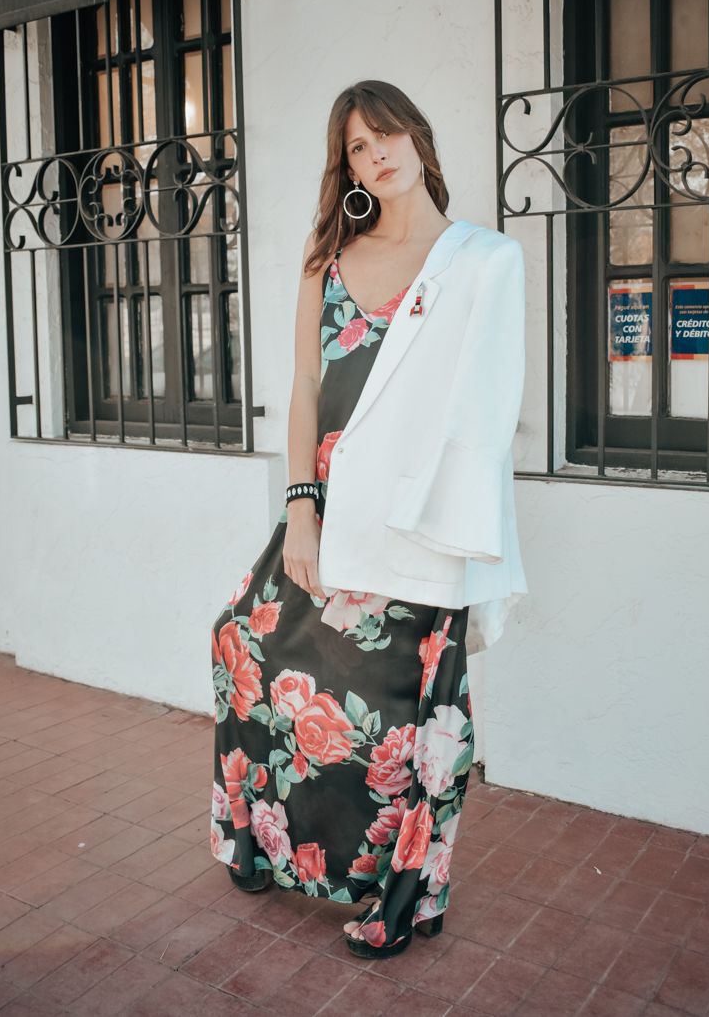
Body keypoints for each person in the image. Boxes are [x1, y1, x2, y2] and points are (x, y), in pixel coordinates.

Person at [209, 79, 526, 960]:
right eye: (356, 146)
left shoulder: (483, 259)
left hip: (423, 522)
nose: (375, 153)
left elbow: (485, 413)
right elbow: (305, 389)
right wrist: (299, 509)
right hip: (325, 511)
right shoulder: (330, 259)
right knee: (242, 647)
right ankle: (261, 839)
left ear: (417, 137)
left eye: (385, 133)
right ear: (345, 167)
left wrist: (443, 533)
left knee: (412, 727)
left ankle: (405, 899)